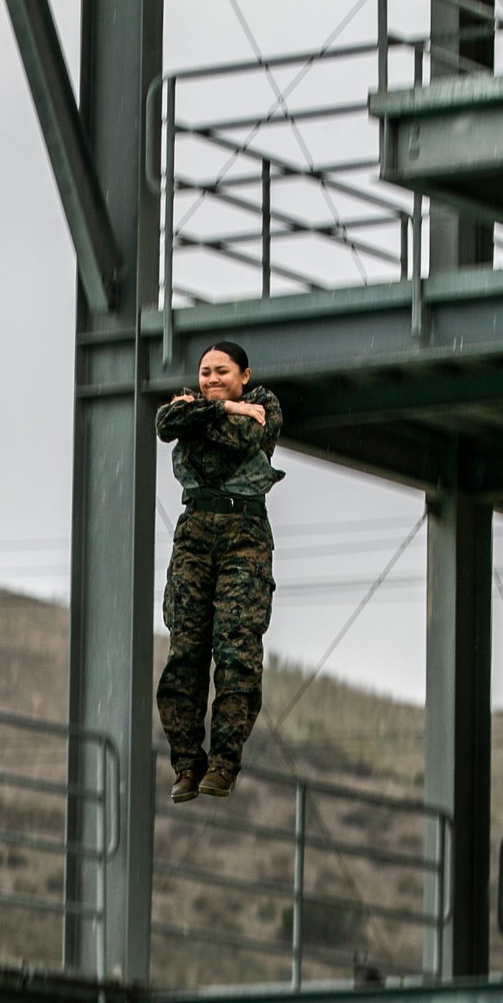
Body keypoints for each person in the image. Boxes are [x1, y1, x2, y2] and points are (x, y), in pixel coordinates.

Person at [155, 341, 284, 802]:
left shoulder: (265, 405)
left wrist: (203, 415)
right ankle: (187, 764)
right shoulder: (206, 407)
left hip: (243, 534)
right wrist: (228, 408)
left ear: (245, 374)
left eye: (223, 372)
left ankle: (224, 762)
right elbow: (164, 424)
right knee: (185, 654)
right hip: (193, 536)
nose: (211, 379)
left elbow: (241, 439)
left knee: (236, 650)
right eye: (205, 372)